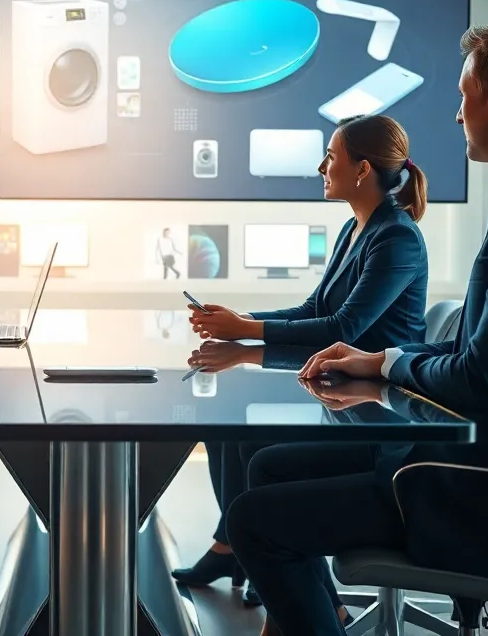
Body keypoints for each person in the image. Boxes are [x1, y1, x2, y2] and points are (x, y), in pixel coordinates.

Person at [227, 19, 488, 636]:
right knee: (267, 470)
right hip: (484, 468)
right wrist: (377, 359)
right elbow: (476, 349)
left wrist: (387, 362)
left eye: (463, 96)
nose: (457, 114)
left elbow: (483, 381)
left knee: (254, 521)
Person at [174, 114, 429, 617]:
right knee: (229, 432)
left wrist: (246, 331)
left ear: (362, 169)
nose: (321, 167)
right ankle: (236, 550)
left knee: (258, 451)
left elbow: (346, 326)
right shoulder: (355, 229)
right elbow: (315, 309)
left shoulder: (396, 237)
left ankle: (298, 586)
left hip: (377, 417)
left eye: (330, 157)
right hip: (342, 393)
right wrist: (243, 322)